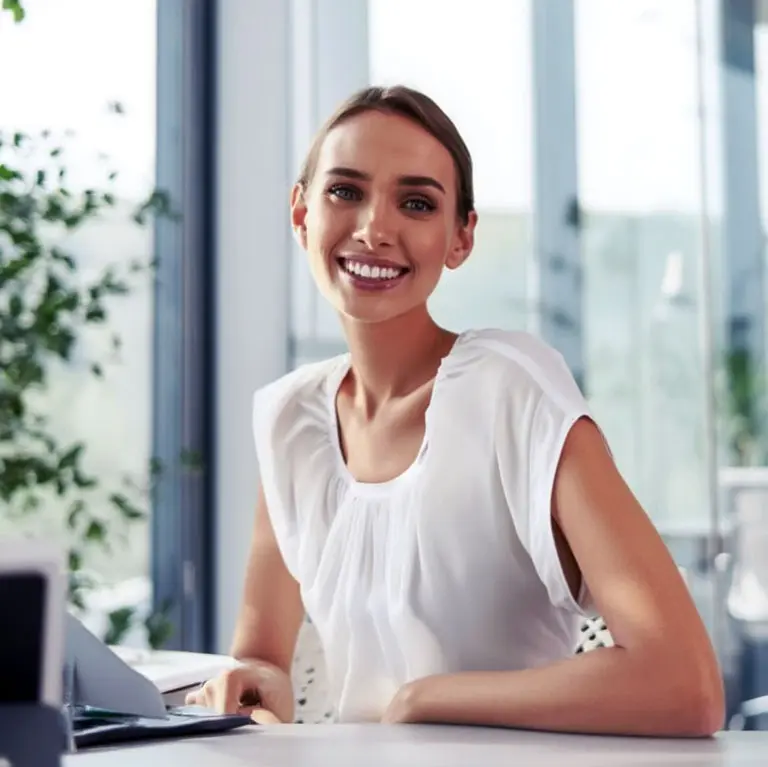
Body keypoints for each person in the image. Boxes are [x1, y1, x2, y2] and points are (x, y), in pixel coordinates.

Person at [187, 85, 725, 736]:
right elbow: (265, 659)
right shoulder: (288, 418)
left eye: (416, 202)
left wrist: (429, 699)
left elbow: (685, 682)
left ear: (460, 237)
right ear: (301, 214)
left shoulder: (512, 389)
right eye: (345, 191)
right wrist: (249, 686)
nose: (374, 228)